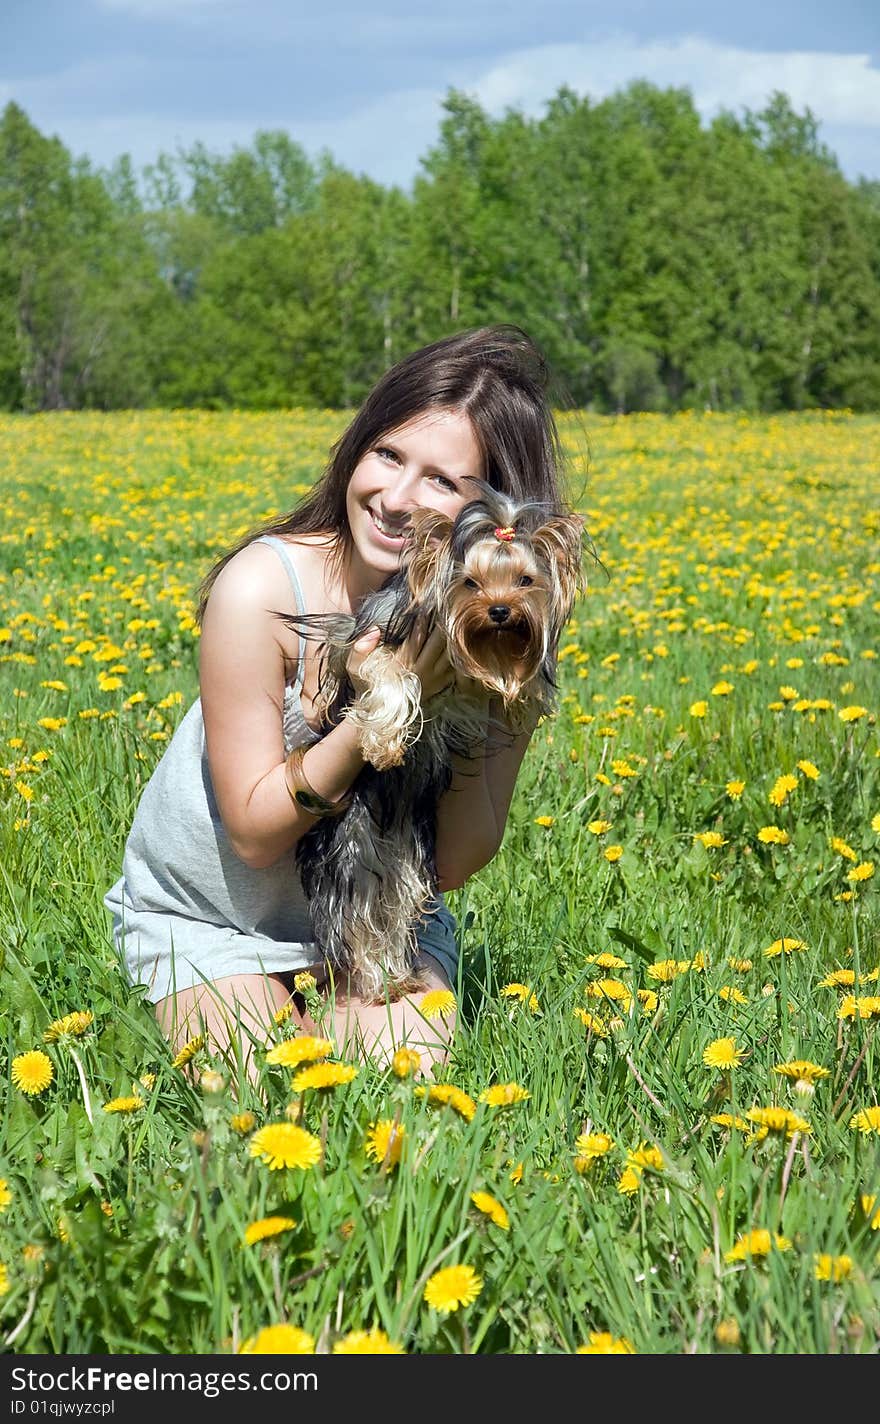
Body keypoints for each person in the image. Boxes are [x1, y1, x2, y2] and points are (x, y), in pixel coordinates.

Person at [104, 324, 573, 1077]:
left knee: (400, 1089)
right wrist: (382, 711)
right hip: (212, 917)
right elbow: (257, 837)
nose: (395, 497)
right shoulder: (259, 590)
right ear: (353, 449)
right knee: (273, 1085)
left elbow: (452, 864)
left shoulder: (501, 624)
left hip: (383, 920)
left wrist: (463, 705)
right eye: (387, 454)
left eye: (442, 482)